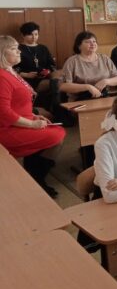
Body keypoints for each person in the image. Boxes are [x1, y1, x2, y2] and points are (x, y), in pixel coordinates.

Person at [0, 35, 65, 197]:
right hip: (8, 128)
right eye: (13, 49)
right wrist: (32, 124)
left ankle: (35, 175)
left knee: (56, 132)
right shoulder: (1, 77)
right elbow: (4, 113)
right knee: (56, 136)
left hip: (23, 120)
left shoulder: (11, 71)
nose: (18, 51)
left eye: (17, 48)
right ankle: (37, 178)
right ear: (1, 53)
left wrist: (34, 117)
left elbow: (20, 105)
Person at [59, 31, 117, 102]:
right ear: (79, 46)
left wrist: (106, 81)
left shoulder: (104, 58)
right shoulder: (72, 61)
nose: (92, 44)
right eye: (88, 42)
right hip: (79, 101)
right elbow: (62, 86)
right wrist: (87, 87)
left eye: (94, 41)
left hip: (103, 98)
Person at [15, 21, 57, 93]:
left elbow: (51, 65)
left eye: (36, 34)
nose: (34, 37)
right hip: (25, 79)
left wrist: (47, 71)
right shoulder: (18, 48)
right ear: (23, 35)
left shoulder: (43, 48)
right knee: (55, 84)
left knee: (58, 79)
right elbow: (12, 68)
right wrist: (26, 75)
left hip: (44, 77)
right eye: (30, 34)